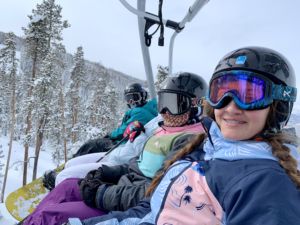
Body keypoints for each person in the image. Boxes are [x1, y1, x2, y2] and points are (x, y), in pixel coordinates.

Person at [73, 46, 300, 225]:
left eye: (250, 95)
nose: (230, 107)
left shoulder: (266, 184)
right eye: (221, 93)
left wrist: (102, 193)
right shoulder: (203, 149)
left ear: (278, 105)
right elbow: (155, 209)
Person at [21, 72, 208, 225]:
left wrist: (99, 192)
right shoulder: (163, 128)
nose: (165, 111)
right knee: (67, 186)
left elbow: (154, 193)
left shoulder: (189, 142)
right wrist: (106, 173)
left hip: (126, 205)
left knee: (53, 214)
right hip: (121, 187)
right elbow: (136, 165)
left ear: (195, 106)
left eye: (174, 104)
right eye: (163, 103)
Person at [43, 83, 158, 190]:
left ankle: (69, 173)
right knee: (94, 145)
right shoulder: (145, 111)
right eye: (129, 98)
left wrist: (110, 135)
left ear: (143, 96)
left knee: (94, 145)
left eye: (135, 97)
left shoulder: (141, 113)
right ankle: (71, 167)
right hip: (122, 148)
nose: (132, 101)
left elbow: (125, 131)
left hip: (122, 148)